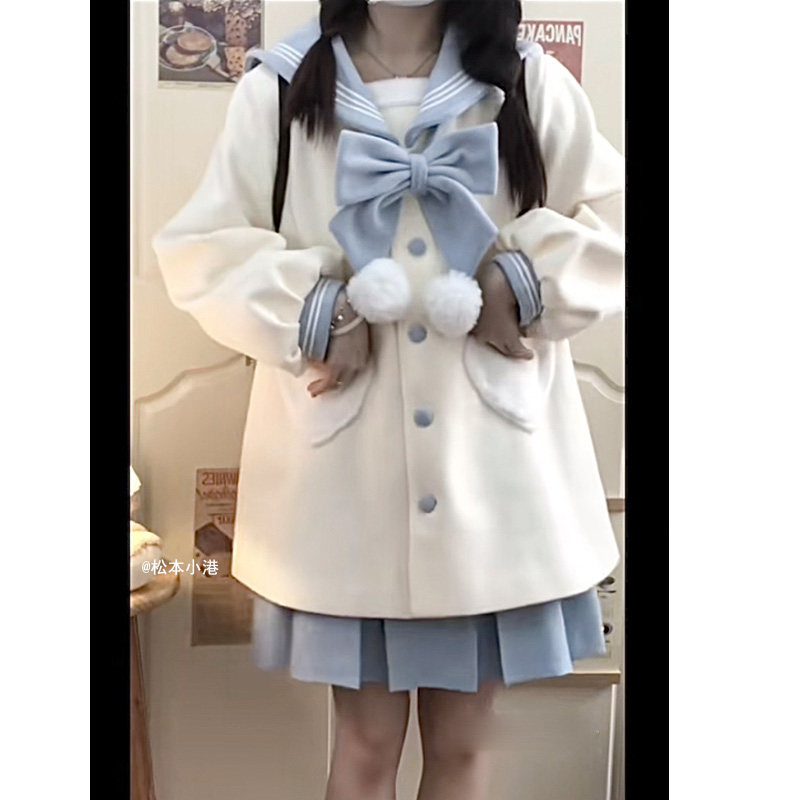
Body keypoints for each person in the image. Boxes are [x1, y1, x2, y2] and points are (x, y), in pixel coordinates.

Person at [152, 1, 624, 797]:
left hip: (492, 485)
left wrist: (523, 282)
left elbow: (615, 220)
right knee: (364, 747)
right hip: (348, 491)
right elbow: (201, 250)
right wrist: (317, 311)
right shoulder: (282, 88)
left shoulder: (525, 81)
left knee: (464, 749)